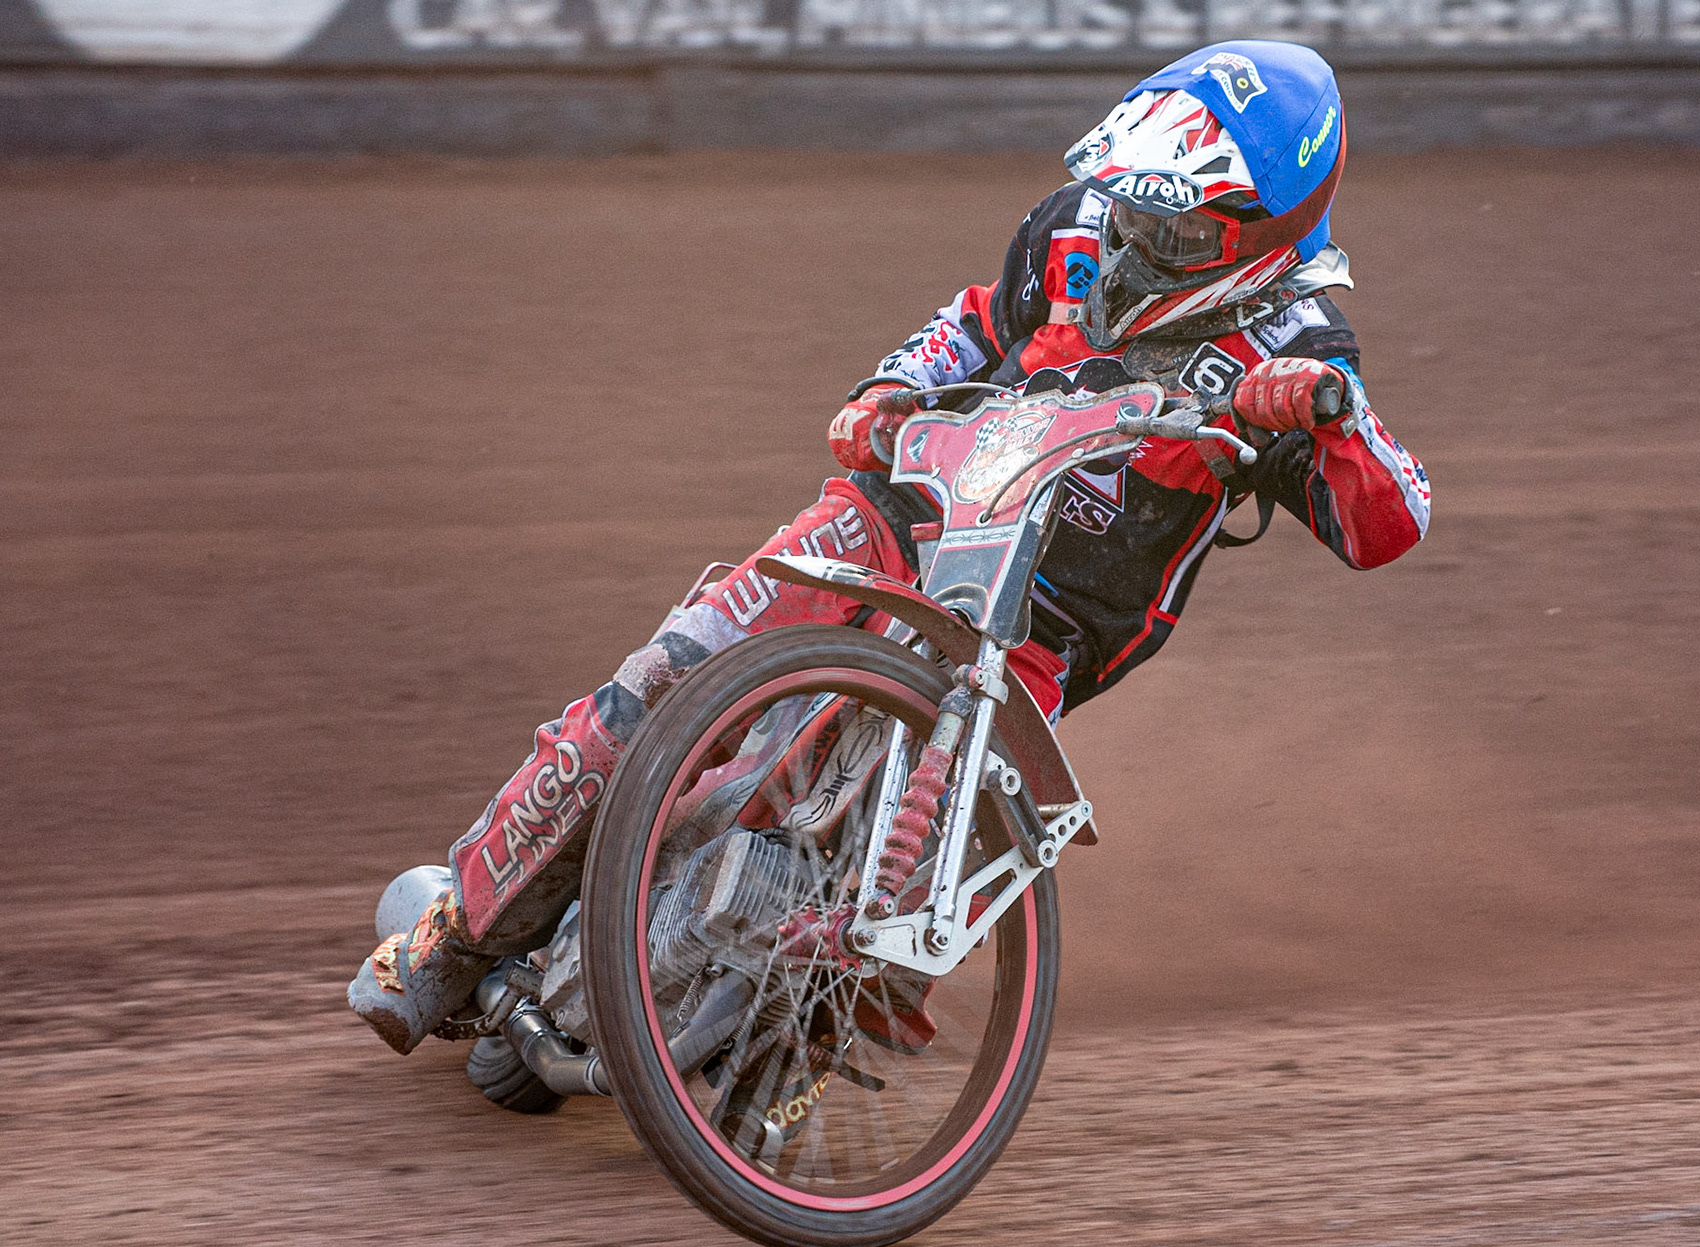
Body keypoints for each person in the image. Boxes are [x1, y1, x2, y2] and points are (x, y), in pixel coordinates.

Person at [348, 39, 1431, 1056]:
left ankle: (786, 1054)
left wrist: (1330, 417)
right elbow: (971, 323)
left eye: (1182, 230)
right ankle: (452, 933)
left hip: (1042, 632)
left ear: (1268, 232)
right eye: (1134, 212)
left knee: (899, 914)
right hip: (894, 520)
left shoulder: (1302, 344)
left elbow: (1393, 523)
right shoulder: (1071, 228)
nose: (1140, 243)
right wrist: (888, 391)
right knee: (662, 685)